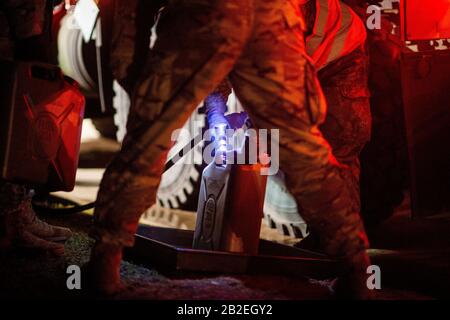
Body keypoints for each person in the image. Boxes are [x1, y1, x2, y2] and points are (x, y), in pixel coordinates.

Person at [89, 0, 372, 298]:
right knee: (304, 153)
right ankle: (356, 266)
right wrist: (224, 106)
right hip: (273, 15)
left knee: (151, 138)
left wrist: (146, 94)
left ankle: (105, 262)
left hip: (209, 10)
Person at [0, 0, 72, 256]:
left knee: (18, 129)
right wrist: (32, 42)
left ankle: (18, 211)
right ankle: (10, 224)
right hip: (15, 33)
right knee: (14, 129)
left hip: (20, 26)